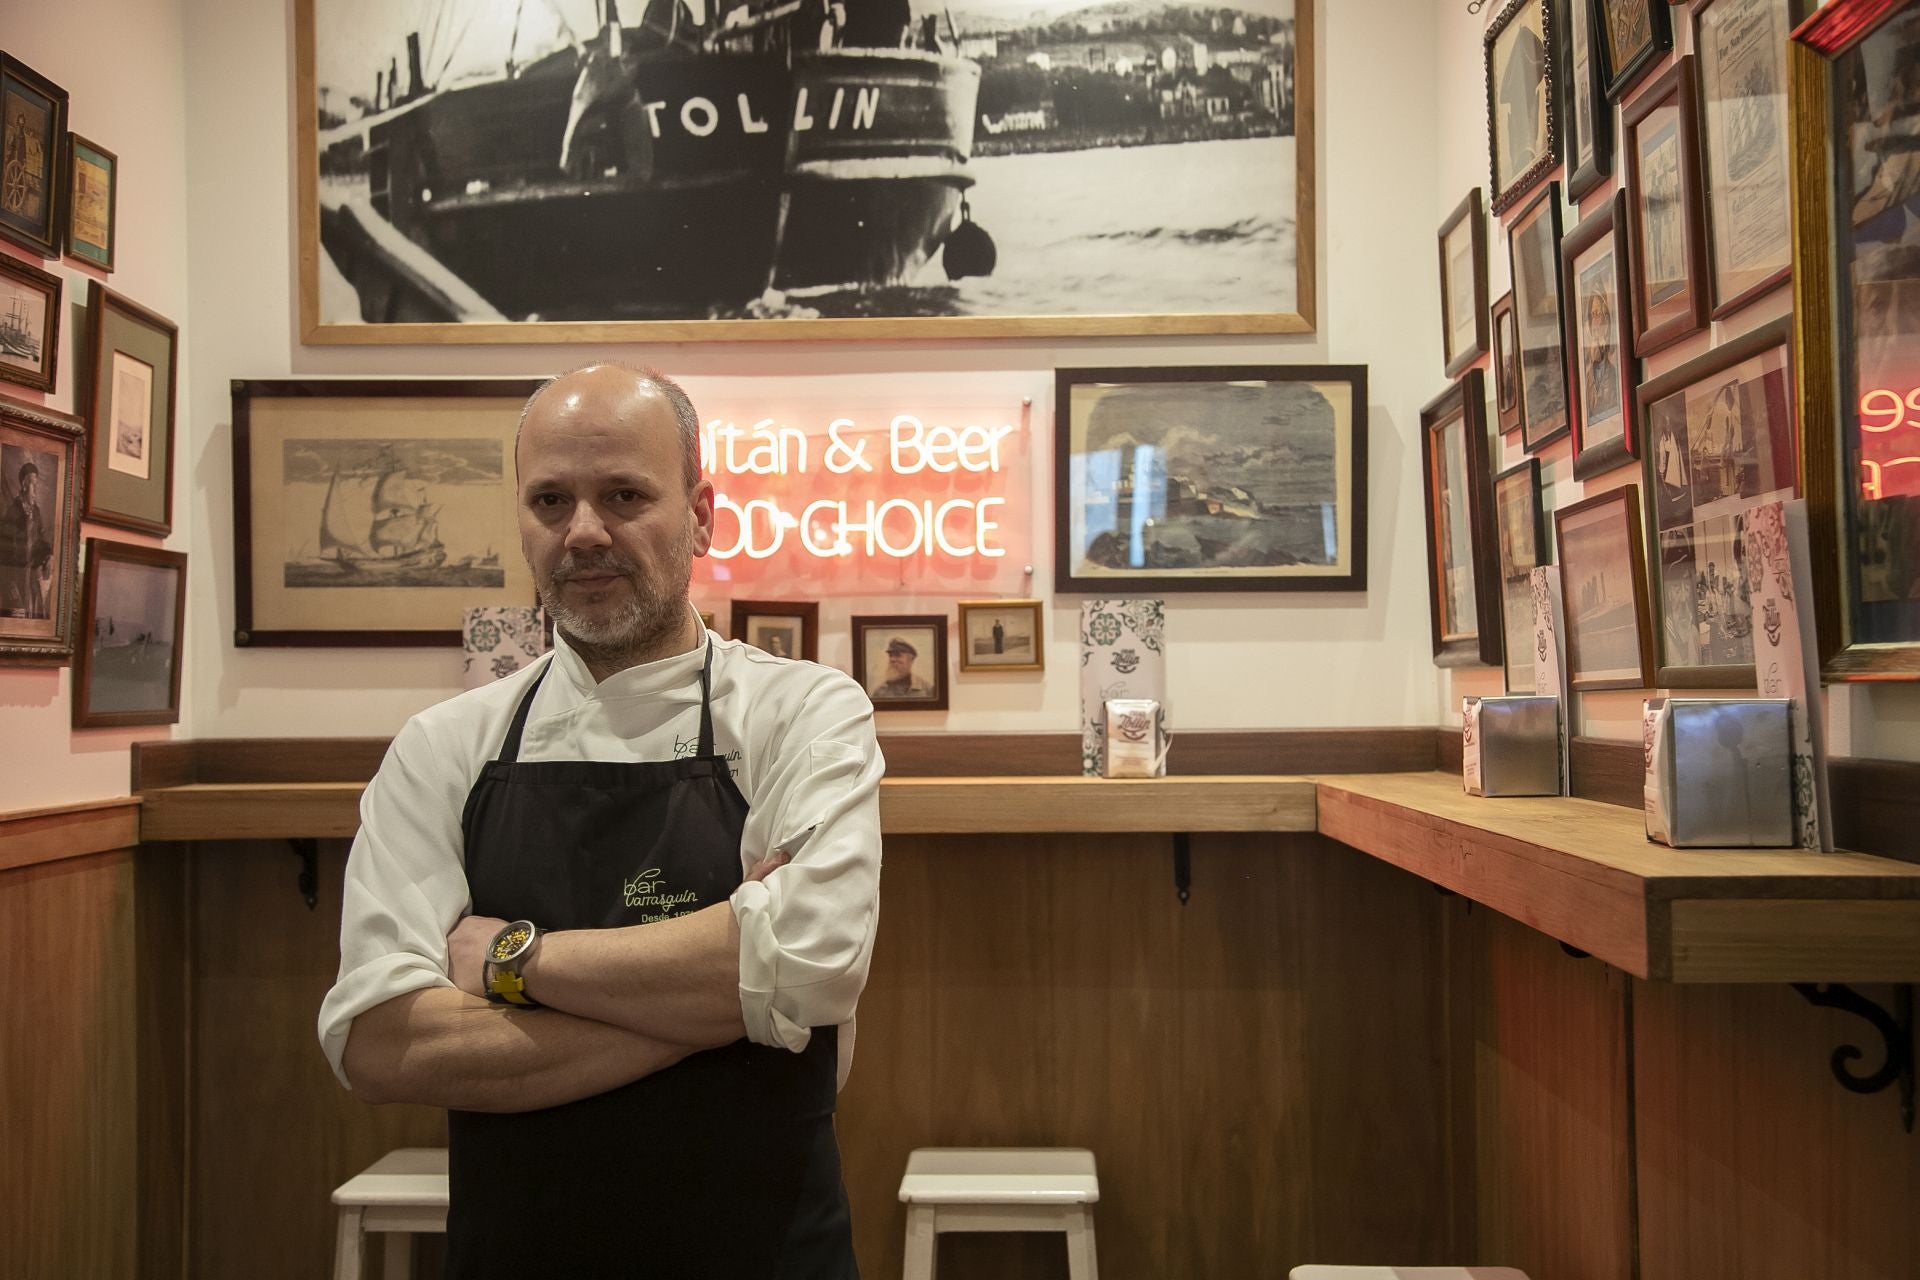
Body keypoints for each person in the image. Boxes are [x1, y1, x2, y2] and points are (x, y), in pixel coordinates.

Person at [317, 364, 883, 1278]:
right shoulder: (443, 747)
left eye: (624, 494)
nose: (583, 531)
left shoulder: (802, 713)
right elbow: (380, 1044)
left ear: (703, 515)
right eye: (551, 500)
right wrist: (733, 1009)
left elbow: (810, 965)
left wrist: (512, 961)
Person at [1, 459, 50, 619]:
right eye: (32, 484)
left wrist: (48, 555)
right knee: (17, 616)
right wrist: (10, 583)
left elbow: (41, 538)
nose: (36, 489)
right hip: (16, 578)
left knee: (36, 615)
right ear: (24, 484)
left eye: (37, 484)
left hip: (32, 576)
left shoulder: (36, 511)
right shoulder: (14, 511)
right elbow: (4, 551)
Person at [868, 635, 933, 699]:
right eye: (890, 656)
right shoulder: (880, 692)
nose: (892, 659)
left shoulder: (926, 689)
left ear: (911, 660)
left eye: (897, 655)